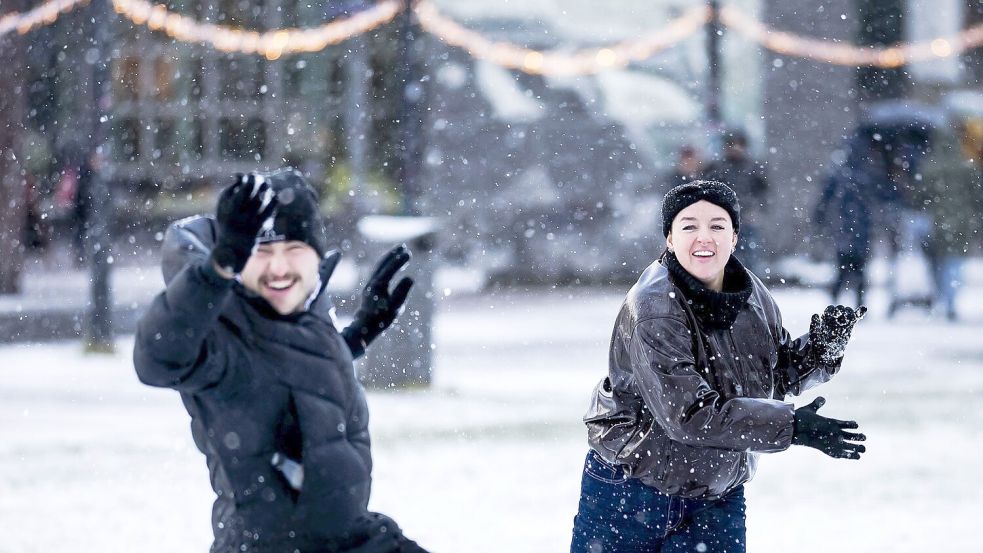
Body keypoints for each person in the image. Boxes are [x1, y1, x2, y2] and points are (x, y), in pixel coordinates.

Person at [133, 169, 428, 553]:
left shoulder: (309, 318)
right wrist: (216, 270)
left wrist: (356, 337)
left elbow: (290, 375)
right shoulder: (222, 332)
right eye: (262, 251)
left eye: (294, 249)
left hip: (349, 538)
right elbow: (158, 357)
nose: (279, 267)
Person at [570, 181, 867, 553]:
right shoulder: (654, 309)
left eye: (717, 225)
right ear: (669, 239)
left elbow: (773, 375)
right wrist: (791, 427)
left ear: (735, 237)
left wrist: (821, 351)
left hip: (716, 493)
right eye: (689, 226)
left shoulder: (752, 296)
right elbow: (688, 415)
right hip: (633, 490)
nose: (703, 238)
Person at [813, 135, 879, 307]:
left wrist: (819, 218)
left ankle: (842, 300)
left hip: (847, 225)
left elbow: (825, 198)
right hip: (855, 225)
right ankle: (856, 302)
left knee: (846, 268)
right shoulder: (865, 172)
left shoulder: (842, 173)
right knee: (855, 268)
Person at [700, 130, 769, 275]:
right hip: (724, 220)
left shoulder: (754, 167)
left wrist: (757, 211)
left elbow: (764, 192)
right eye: (732, 144)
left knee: (750, 260)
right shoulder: (717, 168)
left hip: (747, 219)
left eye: (739, 144)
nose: (736, 148)